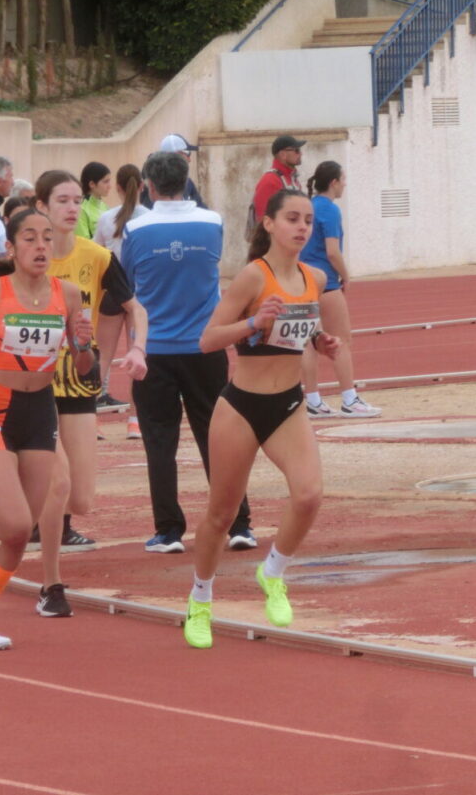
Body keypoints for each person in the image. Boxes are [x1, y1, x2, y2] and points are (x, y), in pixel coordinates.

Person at [183, 189, 341, 649]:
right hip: (241, 406)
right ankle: (200, 598)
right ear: (269, 223)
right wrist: (253, 323)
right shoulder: (254, 277)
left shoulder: (315, 276)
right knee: (221, 513)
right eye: (292, 218)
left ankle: (272, 573)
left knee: (309, 495)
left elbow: (303, 333)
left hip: (287, 406)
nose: (302, 227)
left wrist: (322, 343)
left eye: (308, 220)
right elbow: (208, 340)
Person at [0, 208, 95, 648]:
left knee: (20, 531)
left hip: (41, 410)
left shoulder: (68, 295)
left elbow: (84, 367)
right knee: (15, 522)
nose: (41, 245)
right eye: (30, 237)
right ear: (11, 248)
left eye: (47, 237)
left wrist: (82, 342)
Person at [121, 151, 254, 553]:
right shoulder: (212, 223)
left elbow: (129, 284)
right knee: (219, 439)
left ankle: (168, 531)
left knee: (159, 443)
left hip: (154, 351)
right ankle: (239, 524)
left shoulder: (135, 229)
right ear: (186, 178)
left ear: (148, 185)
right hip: (204, 348)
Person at [30, 171, 148, 615]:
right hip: (32, 384)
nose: (72, 208)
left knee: (80, 498)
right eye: (62, 200)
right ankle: (50, 580)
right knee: (56, 482)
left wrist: (138, 347)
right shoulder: (25, 258)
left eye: (77, 200)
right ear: (41, 205)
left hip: (79, 380)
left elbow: (135, 307)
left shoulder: (96, 257)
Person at [299, 162, 382, 418]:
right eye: (343, 179)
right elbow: (332, 251)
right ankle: (349, 398)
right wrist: (346, 276)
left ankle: (312, 400)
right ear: (334, 182)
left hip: (302, 280)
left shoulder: (305, 207)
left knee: (308, 343)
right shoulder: (330, 211)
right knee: (342, 340)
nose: (345, 183)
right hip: (326, 282)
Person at [93, 163, 149, 436]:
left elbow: (98, 254)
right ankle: (135, 422)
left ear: (116, 188)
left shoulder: (106, 218)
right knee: (137, 357)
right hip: (140, 294)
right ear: (141, 186)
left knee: (102, 359)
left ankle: (91, 421)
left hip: (113, 292)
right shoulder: (148, 218)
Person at [249, 135, 305, 236]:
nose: (301, 153)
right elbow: (264, 220)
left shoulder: (292, 179)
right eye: (296, 150)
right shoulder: (270, 181)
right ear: (283, 154)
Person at [140, 134, 206, 209]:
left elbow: (201, 207)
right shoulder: (153, 182)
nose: (189, 160)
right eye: (188, 154)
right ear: (176, 155)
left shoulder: (187, 182)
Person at [74, 161, 111, 239]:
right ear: (92, 184)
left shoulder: (105, 207)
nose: (109, 186)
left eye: (109, 181)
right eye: (105, 182)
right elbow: (83, 242)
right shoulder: (81, 209)